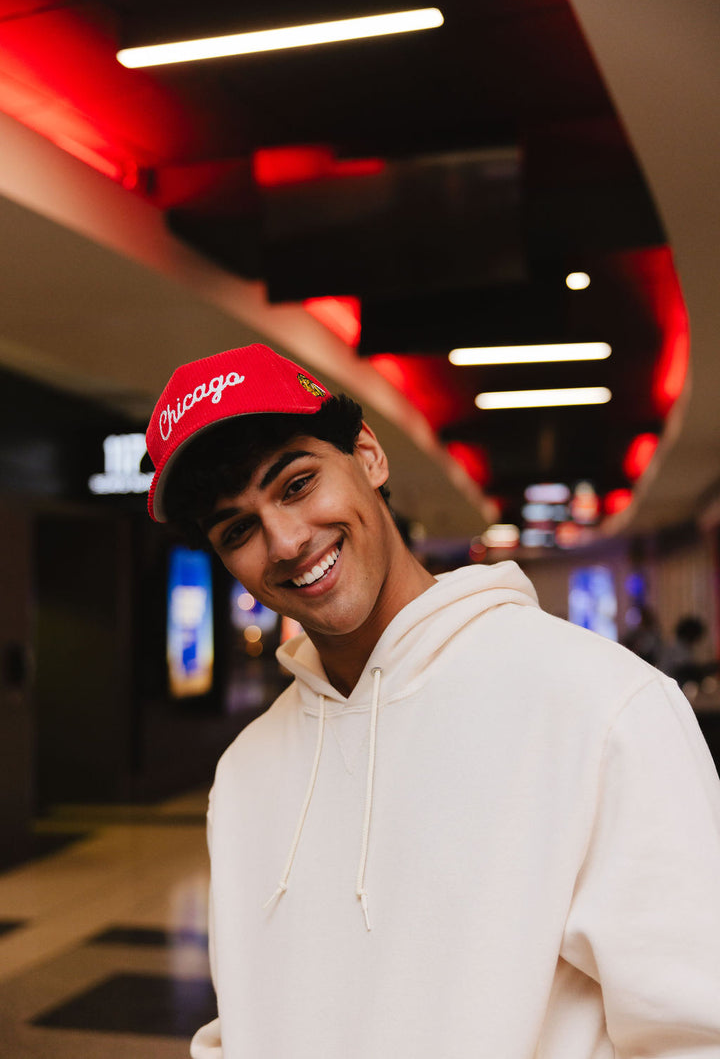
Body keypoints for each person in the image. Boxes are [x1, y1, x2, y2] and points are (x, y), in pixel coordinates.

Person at [145, 343, 720, 1059]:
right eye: (238, 529)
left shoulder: (603, 708)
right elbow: (254, 1020)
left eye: (295, 484)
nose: (287, 541)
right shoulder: (244, 771)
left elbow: (695, 1036)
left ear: (369, 455)